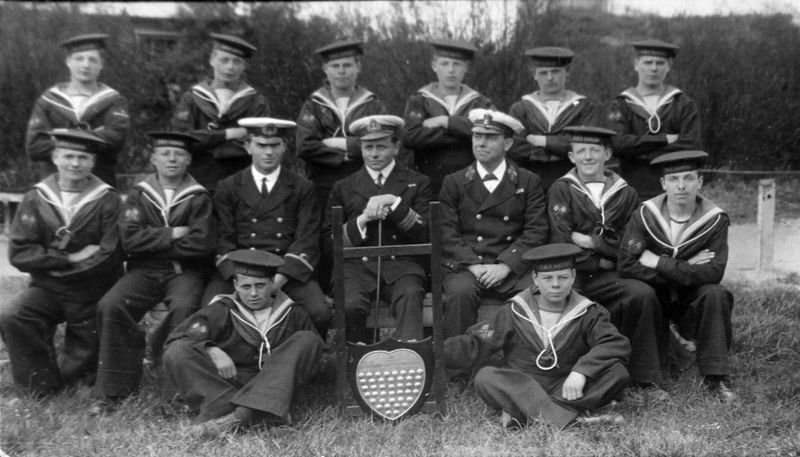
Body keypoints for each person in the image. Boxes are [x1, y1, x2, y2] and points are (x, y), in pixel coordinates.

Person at [91, 132, 216, 414]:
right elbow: (129, 240)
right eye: (165, 153)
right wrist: (174, 233)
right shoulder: (139, 193)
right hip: (144, 271)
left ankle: (174, 392)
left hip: (184, 272)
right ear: (153, 159)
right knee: (111, 305)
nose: (172, 159)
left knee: (184, 308)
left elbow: (201, 244)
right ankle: (112, 389)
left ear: (189, 160)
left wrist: (152, 240)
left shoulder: (199, 196)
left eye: (179, 154)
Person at [445, 243, 631, 429]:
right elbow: (476, 342)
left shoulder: (588, 312)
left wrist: (581, 371)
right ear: (535, 278)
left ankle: (525, 412)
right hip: (523, 383)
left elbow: (615, 343)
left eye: (563, 277)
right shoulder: (515, 310)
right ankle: (571, 422)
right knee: (485, 377)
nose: (556, 284)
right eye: (547, 278)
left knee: (617, 372)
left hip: (565, 384)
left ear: (573, 276)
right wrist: (433, 350)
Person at [0, 129, 122, 397]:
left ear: (92, 162)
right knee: (14, 315)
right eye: (68, 156)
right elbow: (19, 252)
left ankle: (72, 380)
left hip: (92, 290)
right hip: (47, 288)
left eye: (83, 157)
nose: (75, 164)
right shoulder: (36, 197)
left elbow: (110, 254)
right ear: (55, 157)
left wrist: (53, 266)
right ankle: (38, 387)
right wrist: (66, 259)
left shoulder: (108, 198)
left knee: (83, 353)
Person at [547, 126, 666, 396]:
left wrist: (592, 242)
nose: (588, 157)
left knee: (642, 294)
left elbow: (633, 243)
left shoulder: (626, 193)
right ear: (571, 156)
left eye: (594, 150)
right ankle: (566, 377)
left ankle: (645, 377)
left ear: (608, 153)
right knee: (565, 305)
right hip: (573, 274)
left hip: (612, 275)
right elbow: (561, 239)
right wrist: (603, 260)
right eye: (581, 151)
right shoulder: (562, 189)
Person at [163, 249, 325, 438]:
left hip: (275, 385)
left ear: (273, 283)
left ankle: (238, 418)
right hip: (229, 386)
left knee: (308, 339)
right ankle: (258, 415)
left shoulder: (292, 313)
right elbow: (180, 338)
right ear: (235, 285)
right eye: (246, 286)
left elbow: (321, 358)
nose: (253, 293)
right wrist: (211, 349)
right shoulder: (221, 310)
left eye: (260, 285)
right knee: (178, 350)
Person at [618, 150, 736, 402]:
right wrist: (685, 268)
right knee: (639, 292)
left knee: (715, 293)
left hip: (690, 300)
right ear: (663, 184)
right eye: (673, 180)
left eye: (688, 178)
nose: (681, 186)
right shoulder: (644, 215)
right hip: (655, 297)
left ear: (700, 182)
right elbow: (627, 265)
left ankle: (716, 376)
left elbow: (714, 272)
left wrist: (660, 262)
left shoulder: (714, 219)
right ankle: (646, 379)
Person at [202, 117, 331, 335]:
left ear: (284, 147)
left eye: (274, 145)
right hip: (239, 272)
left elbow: (306, 240)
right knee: (209, 311)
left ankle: (310, 362)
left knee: (318, 312)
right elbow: (223, 240)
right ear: (248, 146)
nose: (268, 152)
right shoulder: (228, 186)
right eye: (261, 145)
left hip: (284, 272)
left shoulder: (302, 187)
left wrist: (278, 280)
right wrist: (244, 280)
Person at [439, 108, 549, 339]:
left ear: (508, 144)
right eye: (477, 136)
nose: (481, 143)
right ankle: (458, 368)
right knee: (459, 294)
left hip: (511, 266)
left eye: (490, 137)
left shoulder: (527, 181)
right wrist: (473, 265)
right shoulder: (454, 182)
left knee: (538, 293)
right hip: (468, 267)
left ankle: (529, 365)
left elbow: (536, 231)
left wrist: (506, 266)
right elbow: (446, 232)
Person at [325, 115, 432, 342]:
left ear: (396, 147)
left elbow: (425, 233)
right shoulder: (343, 187)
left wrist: (394, 202)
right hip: (356, 268)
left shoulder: (418, 182)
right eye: (368, 147)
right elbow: (328, 241)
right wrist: (362, 220)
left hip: (402, 266)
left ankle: (410, 362)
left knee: (410, 295)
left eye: (381, 147)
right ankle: (356, 364)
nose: (374, 154)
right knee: (351, 305)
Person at [25, 34, 130, 187]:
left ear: (102, 64)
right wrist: (95, 136)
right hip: (53, 189)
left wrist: (59, 137)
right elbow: (34, 147)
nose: (85, 65)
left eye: (92, 60)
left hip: (98, 188)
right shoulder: (49, 100)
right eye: (79, 58)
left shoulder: (114, 101)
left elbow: (115, 142)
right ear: (68, 61)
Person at [296, 40, 388, 211]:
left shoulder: (372, 104)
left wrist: (342, 144)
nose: (341, 71)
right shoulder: (314, 104)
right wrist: (349, 154)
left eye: (347, 65)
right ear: (325, 69)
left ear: (358, 66)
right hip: (323, 185)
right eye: (335, 66)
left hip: (364, 185)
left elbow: (383, 144)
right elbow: (304, 146)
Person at [171, 33, 269, 192]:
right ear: (212, 60)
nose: (230, 67)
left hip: (240, 181)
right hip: (197, 181)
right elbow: (184, 141)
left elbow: (259, 142)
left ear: (244, 66)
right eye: (224, 60)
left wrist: (207, 141)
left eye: (237, 61)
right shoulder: (192, 98)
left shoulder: (255, 101)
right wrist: (228, 134)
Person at [607, 39, 702, 199]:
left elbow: (692, 145)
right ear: (636, 64)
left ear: (669, 66)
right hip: (632, 187)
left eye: (659, 63)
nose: (653, 68)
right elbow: (617, 144)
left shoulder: (683, 103)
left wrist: (641, 153)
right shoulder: (621, 104)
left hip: (674, 190)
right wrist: (664, 140)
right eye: (648, 62)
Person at [402, 38, 494, 196]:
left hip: (471, 181)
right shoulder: (419, 100)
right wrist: (464, 132)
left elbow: (491, 129)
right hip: (429, 181)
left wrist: (446, 122)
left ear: (466, 68)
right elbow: (410, 137)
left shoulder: (479, 101)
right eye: (444, 64)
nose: (451, 70)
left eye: (457, 64)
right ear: (434, 66)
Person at [508, 47, 600, 191]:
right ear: (534, 75)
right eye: (544, 73)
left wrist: (542, 141)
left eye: (555, 72)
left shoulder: (584, 108)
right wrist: (557, 151)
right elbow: (515, 147)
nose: (550, 78)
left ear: (567, 72)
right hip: (530, 183)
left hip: (574, 183)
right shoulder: (521, 109)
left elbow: (586, 144)